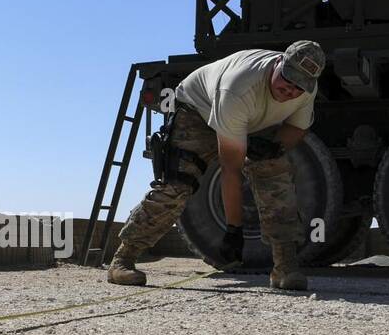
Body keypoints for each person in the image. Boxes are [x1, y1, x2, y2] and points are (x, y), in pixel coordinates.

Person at [108, 41, 325, 292]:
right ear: (278, 64)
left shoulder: (305, 86)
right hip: (198, 112)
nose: (289, 91)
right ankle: (123, 260)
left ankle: (285, 268)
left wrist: (275, 148)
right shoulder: (239, 86)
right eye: (286, 81)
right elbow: (230, 170)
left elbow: (298, 127)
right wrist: (234, 231)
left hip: (250, 118)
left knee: (275, 175)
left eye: (297, 88)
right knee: (179, 185)